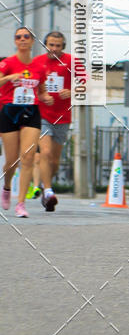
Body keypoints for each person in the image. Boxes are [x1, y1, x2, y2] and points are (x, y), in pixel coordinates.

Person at [0, 27, 49, 218]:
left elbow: (42, 88)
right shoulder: (7, 63)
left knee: (27, 157)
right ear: (15, 41)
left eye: (26, 37)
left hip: (31, 112)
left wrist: (45, 97)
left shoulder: (39, 66)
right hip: (9, 111)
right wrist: (9, 78)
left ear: (32, 41)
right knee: (11, 161)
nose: (22, 39)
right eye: (18, 37)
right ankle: (6, 187)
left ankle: (21, 203)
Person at [34, 31, 72, 212]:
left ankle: (44, 185)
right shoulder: (38, 62)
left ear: (63, 46)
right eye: (51, 45)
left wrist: (72, 91)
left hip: (63, 116)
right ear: (45, 45)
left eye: (58, 45)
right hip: (42, 116)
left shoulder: (72, 61)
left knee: (55, 162)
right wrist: (41, 95)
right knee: (46, 152)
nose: (54, 49)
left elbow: (87, 82)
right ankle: (49, 192)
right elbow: (29, 85)